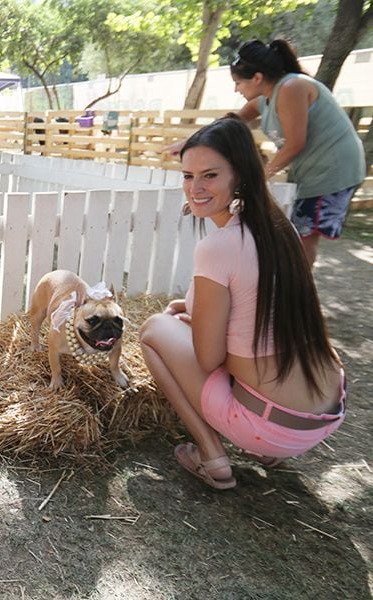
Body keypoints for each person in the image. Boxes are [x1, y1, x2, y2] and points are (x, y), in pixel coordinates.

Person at [140, 117, 346, 491]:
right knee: (183, 325)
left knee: (154, 329)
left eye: (210, 175)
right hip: (324, 415)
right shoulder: (279, 230)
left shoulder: (217, 246)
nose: (195, 188)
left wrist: (194, 318)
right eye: (188, 176)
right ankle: (270, 449)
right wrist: (194, 311)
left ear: (240, 175)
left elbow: (209, 359)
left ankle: (211, 456)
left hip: (272, 425)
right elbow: (258, 314)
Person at [166, 39, 365, 268]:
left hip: (332, 171)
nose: (236, 89)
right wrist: (190, 142)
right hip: (309, 171)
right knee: (294, 234)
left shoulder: (292, 88)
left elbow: (294, 144)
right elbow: (230, 124)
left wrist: (256, 178)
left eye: (238, 82)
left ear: (257, 78)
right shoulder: (264, 99)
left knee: (303, 237)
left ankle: (296, 294)